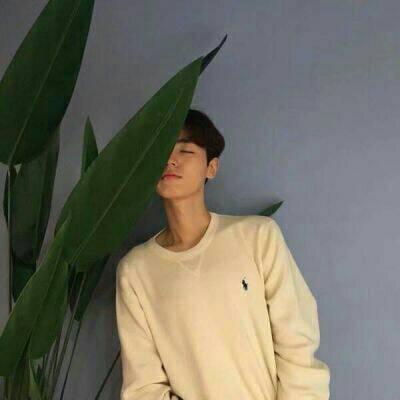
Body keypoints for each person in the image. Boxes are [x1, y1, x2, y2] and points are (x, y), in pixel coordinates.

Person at [115, 108, 330, 400]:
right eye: (161, 151)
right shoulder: (135, 271)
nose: (170, 160)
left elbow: (298, 346)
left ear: (211, 167)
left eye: (185, 150)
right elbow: (143, 389)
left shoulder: (257, 237)